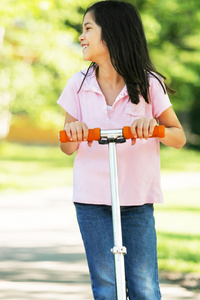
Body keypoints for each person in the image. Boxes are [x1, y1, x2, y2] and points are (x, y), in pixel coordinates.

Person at [57, 1, 186, 299]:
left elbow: (177, 137)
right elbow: (67, 146)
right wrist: (73, 132)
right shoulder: (78, 85)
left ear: (112, 33)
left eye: (88, 28)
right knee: (106, 286)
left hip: (136, 199)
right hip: (91, 200)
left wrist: (154, 126)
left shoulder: (148, 84)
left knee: (144, 286)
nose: (81, 36)